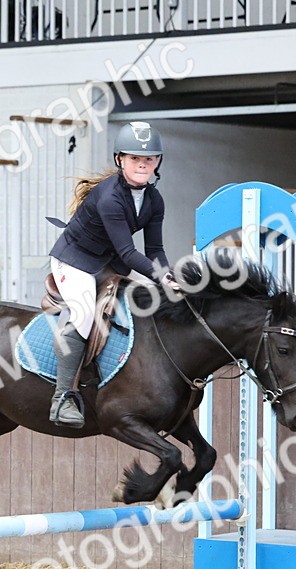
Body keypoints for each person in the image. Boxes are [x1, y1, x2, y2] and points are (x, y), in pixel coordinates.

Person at [46, 121, 181, 428]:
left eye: (149, 158)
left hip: (109, 265)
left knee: (145, 305)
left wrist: (168, 275)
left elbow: (155, 250)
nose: (142, 164)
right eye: (135, 158)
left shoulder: (154, 200)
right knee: (81, 314)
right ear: (120, 159)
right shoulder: (110, 198)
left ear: (158, 161)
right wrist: (162, 277)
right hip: (75, 262)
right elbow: (128, 253)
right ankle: (62, 397)